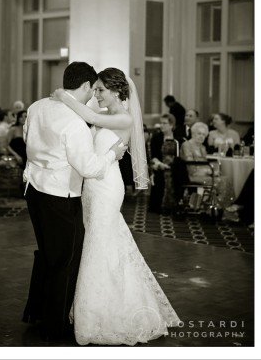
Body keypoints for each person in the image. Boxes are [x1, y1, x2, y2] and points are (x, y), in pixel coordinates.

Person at [52, 66, 180, 345]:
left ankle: (105, 314)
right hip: (92, 185)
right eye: (95, 88)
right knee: (101, 242)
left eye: (99, 89)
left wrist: (64, 95)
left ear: (116, 91)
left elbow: (86, 115)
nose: (95, 94)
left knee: (100, 242)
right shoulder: (108, 115)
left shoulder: (124, 118)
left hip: (107, 187)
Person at [22, 62, 128, 341]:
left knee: (45, 253)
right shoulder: (74, 121)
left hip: (34, 190)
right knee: (62, 261)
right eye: (92, 89)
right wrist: (111, 156)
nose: (94, 95)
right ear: (83, 86)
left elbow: (26, 138)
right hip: (61, 195)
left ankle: (36, 311)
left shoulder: (35, 107)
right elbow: (89, 168)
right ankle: (53, 326)